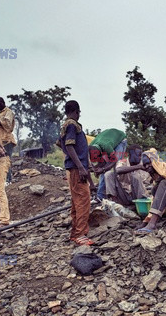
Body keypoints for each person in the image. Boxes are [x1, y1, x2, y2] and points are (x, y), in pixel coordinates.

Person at [58, 100, 94, 246]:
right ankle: (80, 234)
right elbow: (69, 145)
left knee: (76, 201)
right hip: (76, 169)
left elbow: (61, 143)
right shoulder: (72, 124)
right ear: (77, 111)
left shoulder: (65, 126)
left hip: (73, 169)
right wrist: (80, 166)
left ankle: (75, 232)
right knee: (83, 201)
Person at [88, 128, 127, 201]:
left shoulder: (106, 146)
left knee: (117, 167)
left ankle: (119, 194)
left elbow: (114, 161)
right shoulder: (92, 146)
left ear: (99, 152)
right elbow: (102, 162)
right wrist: (96, 168)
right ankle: (101, 196)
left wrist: (102, 169)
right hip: (109, 138)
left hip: (120, 139)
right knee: (104, 169)